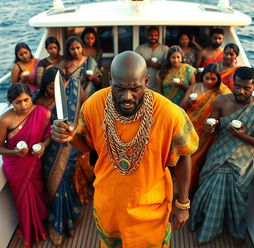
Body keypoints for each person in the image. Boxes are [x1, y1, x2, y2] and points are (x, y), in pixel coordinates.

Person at [52, 51, 199, 247]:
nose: (127, 97)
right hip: (109, 206)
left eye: (134, 89)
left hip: (150, 210)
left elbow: (183, 156)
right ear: (110, 80)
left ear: (146, 81)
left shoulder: (169, 114)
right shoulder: (93, 106)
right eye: (119, 89)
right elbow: (87, 147)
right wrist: (70, 137)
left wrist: (182, 204)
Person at [190, 66, 254, 245]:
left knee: (228, 189)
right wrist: (208, 129)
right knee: (210, 185)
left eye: (246, 88)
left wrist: (242, 136)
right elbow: (213, 127)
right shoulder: (221, 101)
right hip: (219, 152)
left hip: (243, 158)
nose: (240, 91)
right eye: (237, 86)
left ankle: (231, 227)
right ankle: (199, 220)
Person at [34, 67, 86, 246]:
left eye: (59, 85)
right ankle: (58, 225)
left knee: (66, 180)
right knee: (54, 186)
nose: (55, 90)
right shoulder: (38, 101)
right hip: (49, 150)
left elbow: (85, 108)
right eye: (50, 87)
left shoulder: (75, 87)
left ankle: (71, 218)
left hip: (70, 145)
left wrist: (78, 132)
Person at [0, 83, 51, 247]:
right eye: (18, 102)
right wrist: (14, 153)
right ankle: (28, 231)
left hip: (34, 162)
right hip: (15, 166)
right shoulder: (5, 119)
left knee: (38, 195)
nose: (23, 105)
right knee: (22, 200)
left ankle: (39, 227)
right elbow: (0, 147)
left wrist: (43, 146)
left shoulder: (43, 113)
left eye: (26, 100)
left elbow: (48, 136)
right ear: (11, 103)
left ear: (31, 96)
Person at [180, 63, 231, 193]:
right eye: (206, 78)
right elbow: (181, 108)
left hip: (205, 132)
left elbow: (229, 110)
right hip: (189, 127)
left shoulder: (223, 92)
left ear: (218, 79)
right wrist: (189, 102)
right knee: (182, 156)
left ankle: (189, 191)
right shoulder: (194, 87)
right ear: (202, 76)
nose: (209, 81)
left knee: (194, 161)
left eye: (213, 79)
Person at [135, 26, 169, 91]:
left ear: (159, 36)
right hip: (143, 85)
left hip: (160, 86)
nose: (153, 37)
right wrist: (146, 63)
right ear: (147, 36)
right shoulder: (140, 49)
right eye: (151, 35)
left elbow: (169, 67)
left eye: (155, 35)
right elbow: (135, 66)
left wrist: (159, 66)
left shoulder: (165, 49)